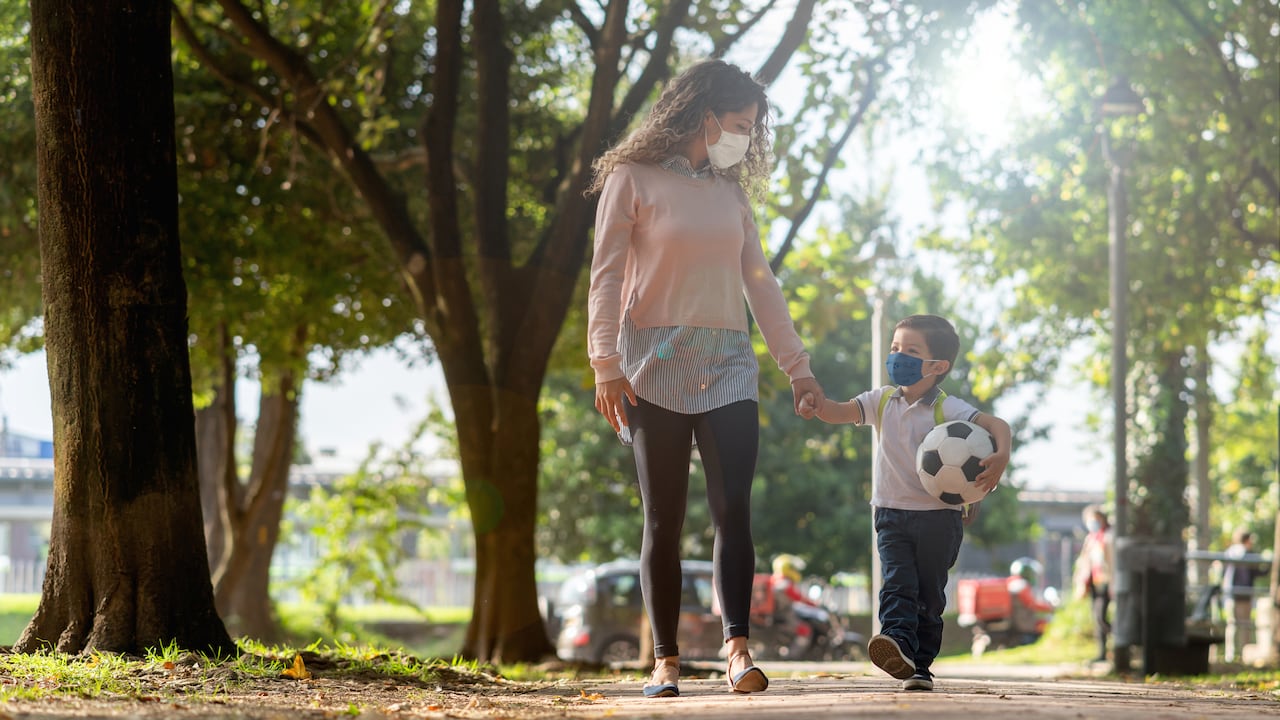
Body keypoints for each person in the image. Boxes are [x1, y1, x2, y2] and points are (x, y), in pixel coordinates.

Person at [586, 58, 824, 699]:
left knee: (732, 510)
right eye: (740, 123)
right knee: (663, 519)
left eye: (752, 127)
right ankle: (664, 662)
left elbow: (760, 284)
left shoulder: (729, 194)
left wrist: (797, 368)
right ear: (706, 114)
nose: (744, 137)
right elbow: (607, 275)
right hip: (650, 364)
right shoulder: (631, 179)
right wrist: (604, 364)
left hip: (728, 365)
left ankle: (737, 650)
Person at [802, 314, 1011, 692]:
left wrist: (1002, 455)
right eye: (895, 348)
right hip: (890, 513)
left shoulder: (949, 409)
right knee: (898, 583)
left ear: (937, 366)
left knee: (929, 594)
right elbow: (838, 411)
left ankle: (920, 666)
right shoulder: (881, 400)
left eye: (910, 351)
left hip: (939, 518)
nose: (898, 357)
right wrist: (816, 402)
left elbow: (998, 426)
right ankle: (896, 641)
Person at [1072, 504, 1113, 663]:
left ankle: (1118, 643)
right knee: (1097, 617)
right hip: (1094, 583)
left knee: (1101, 617)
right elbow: (1084, 562)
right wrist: (1080, 583)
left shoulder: (1109, 536)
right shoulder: (1091, 538)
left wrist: (1113, 584)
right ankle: (1102, 653)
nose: (1092, 523)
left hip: (1107, 582)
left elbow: (1112, 562)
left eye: (1095, 519)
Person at [1222, 529, 1262, 662]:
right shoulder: (1247, 553)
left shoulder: (1229, 552)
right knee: (1244, 625)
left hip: (1230, 594)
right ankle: (1244, 655)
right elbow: (1256, 572)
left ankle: (1230, 655)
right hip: (1244, 596)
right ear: (1247, 540)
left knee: (1232, 625)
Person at [1006, 557, 1053, 645]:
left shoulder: (1011, 583)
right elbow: (1032, 604)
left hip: (1016, 620)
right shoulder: (1022, 585)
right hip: (1024, 623)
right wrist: (1050, 607)